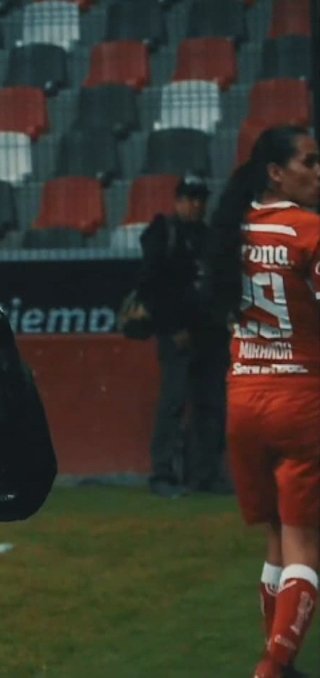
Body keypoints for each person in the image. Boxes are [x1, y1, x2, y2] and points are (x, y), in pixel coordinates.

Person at [202, 125, 320, 678]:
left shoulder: (232, 229)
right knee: (304, 541)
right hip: (300, 397)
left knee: (275, 538)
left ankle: (281, 665)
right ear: (276, 172)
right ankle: (273, 667)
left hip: (244, 396)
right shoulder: (308, 230)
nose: (317, 172)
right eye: (308, 161)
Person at [138, 175, 231, 498]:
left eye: (200, 199)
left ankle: (206, 473)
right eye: (191, 198)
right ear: (177, 201)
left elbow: (220, 283)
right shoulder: (163, 232)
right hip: (177, 334)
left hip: (209, 334)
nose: (196, 205)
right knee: (173, 403)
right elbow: (151, 286)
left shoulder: (209, 237)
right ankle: (162, 473)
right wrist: (171, 327)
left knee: (211, 406)